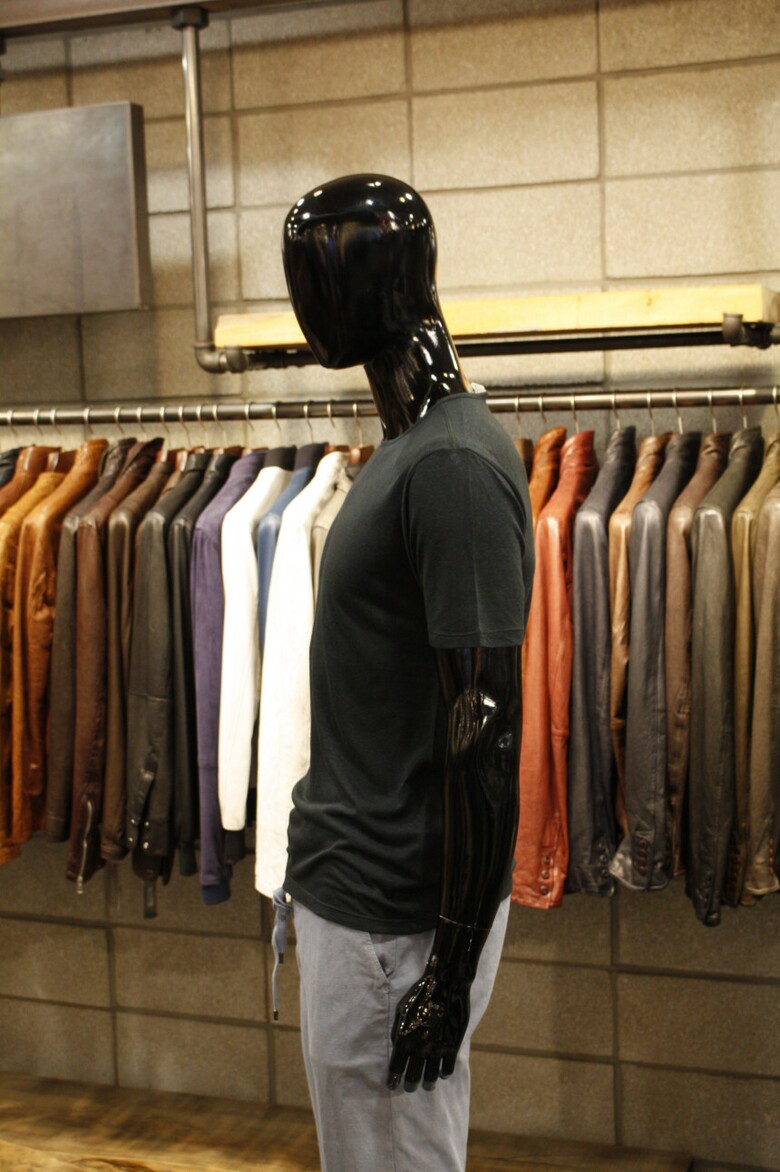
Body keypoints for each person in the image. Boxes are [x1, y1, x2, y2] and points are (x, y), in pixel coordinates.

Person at [281, 173, 534, 1171]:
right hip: (365, 904)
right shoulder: (409, 450)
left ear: (391, 281)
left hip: (394, 926)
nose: (305, 297)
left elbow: (487, 722)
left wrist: (451, 969)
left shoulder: (449, 465)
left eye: (322, 269)